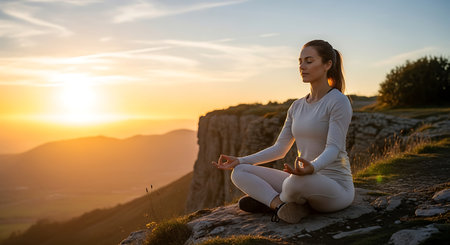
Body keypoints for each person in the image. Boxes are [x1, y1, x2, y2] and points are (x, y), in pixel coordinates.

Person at [212, 40, 354, 224]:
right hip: (303, 178)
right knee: (239, 172)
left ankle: (272, 200)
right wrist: (240, 160)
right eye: (300, 62)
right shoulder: (297, 106)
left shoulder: (338, 101)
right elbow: (279, 148)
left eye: (309, 61)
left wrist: (313, 167)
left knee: (294, 183)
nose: (302, 66)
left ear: (328, 64)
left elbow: (334, 148)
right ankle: (281, 205)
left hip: (335, 186)